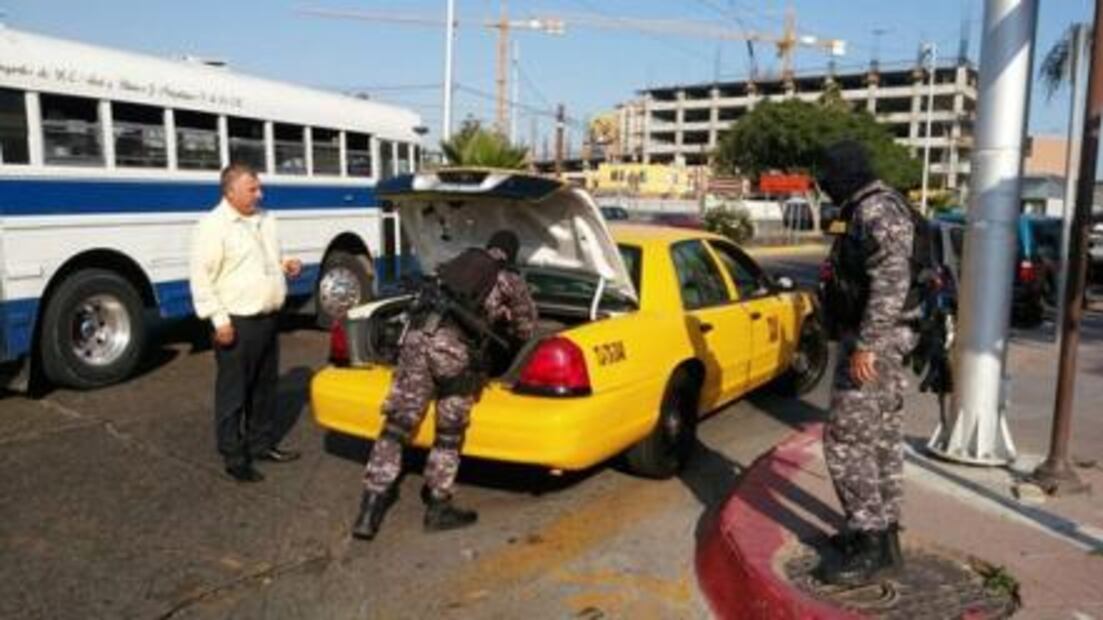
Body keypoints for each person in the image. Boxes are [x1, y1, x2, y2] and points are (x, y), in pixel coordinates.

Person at [352, 230, 536, 540]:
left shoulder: (457, 262)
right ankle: (438, 506)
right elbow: (526, 327)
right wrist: (503, 320)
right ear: (511, 254)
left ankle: (368, 512)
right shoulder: (509, 279)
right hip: (452, 352)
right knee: (449, 433)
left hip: (415, 341)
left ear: (489, 247)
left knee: (397, 426)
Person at [816, 140, 919, 586]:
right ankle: (884, 538)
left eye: (827, 176)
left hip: (875, 344)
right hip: (878, 340)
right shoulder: (869, 205)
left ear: (845, 173)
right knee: (880, 439)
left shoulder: (876, 210)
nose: (824, 185)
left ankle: (869, 540)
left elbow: (892, 281)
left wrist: (868, 344)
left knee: (844, 439)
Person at [190, 163, 303, 483]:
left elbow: (266, 258)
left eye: (259, 187)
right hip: (236, 322)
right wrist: (219, 321)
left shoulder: (266, 219)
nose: (260, 194)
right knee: (234, 392)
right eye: (252, 189)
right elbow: (201, 278)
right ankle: (233, 455)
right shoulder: (213, 226)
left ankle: (260, 444)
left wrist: (286, 264)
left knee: (265, 388)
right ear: (230, 192)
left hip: (267, 317)